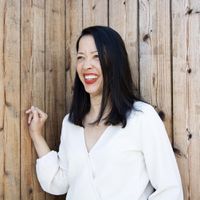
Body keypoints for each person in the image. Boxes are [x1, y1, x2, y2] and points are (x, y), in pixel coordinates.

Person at [26, 26, 183, 200]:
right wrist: (36, 135)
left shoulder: (142, 118)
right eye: (80, 57)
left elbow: (170, 191)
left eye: (97, 56)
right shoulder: (70, 123)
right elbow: (60, 182)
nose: (86, 65)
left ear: (115, 62)